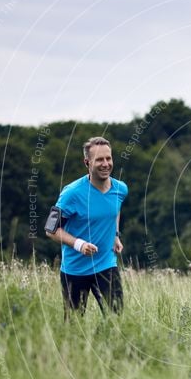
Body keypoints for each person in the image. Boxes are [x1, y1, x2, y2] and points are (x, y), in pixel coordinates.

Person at [45, 136, 128, 318]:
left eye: (108, 158)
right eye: (99, 159)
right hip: (75, 270)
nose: (105, 164)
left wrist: (115, 234)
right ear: (87, 162)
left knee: (117, 320)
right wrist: (79, 245)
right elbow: (50, 229)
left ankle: (105, 347)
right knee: (74, 327)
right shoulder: (71, 193)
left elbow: (115, 210)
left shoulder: (120, 189)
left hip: (106, 265)